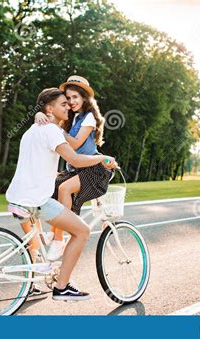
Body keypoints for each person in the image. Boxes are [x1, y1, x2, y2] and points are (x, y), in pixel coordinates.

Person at [6, 87, 117, 301]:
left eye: (69, 103)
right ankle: (62, 287)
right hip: (36, 200)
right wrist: (102, 159)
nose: (68, 107)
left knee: (35, 245)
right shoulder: (51, 131)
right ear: (50, 108)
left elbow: (38, 163)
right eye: (63, 104)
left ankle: (32, 284)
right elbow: (75, 159)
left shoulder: (31, 131)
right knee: (82, 231)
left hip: (17, 197)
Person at [35, 76, 113, 261]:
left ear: (85, 98)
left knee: (65, 188)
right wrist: (39, 114)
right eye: (68, 98)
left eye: (75, 97)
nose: (71, 102)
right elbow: (47, 115)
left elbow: (77, 144)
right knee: (52, 187)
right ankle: (55, 233)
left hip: (92, 167)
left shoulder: (89, 118)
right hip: (76, 168)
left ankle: (59, 239)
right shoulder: (70, 118)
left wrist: (58, 130)